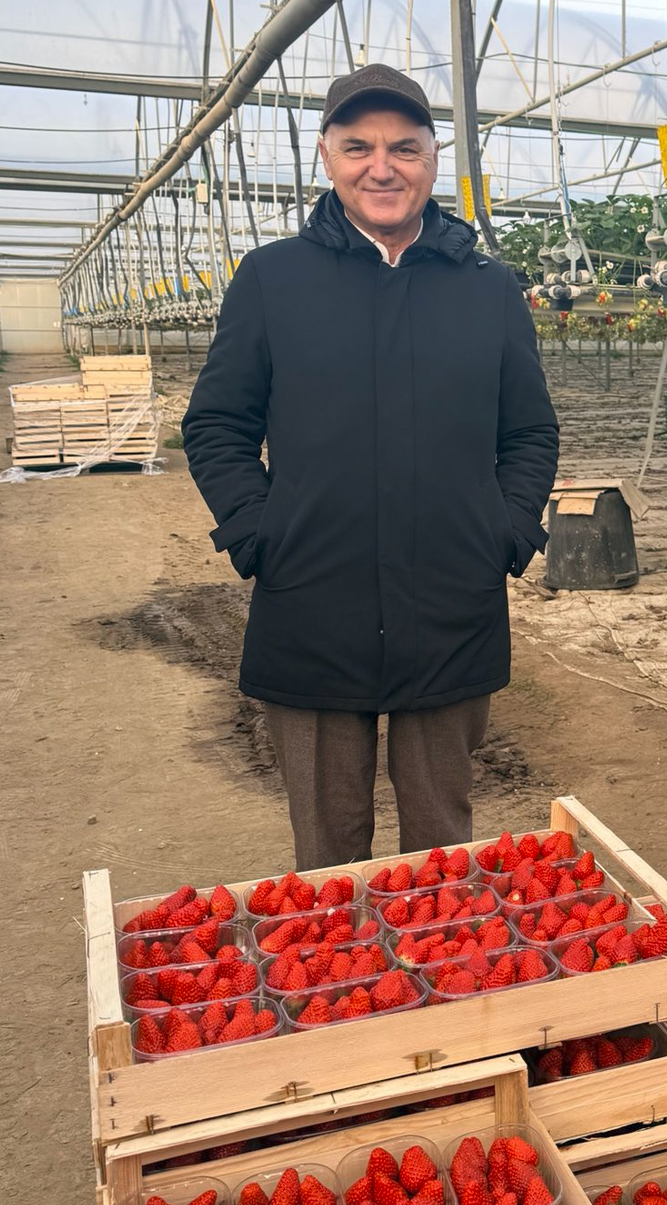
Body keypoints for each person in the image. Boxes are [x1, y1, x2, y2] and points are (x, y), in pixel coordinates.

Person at [183, 65, 558, 869]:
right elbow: (216, 424)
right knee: (327, 849)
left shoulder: (489, 289)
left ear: (433, 159)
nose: (381, 168)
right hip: (311, 595)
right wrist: (260, 531)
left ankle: (435, 951)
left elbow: (529, 431)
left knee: (441, 846)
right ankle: (341, 955)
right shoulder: (273, 280)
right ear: (327, 156)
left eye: (404, 148)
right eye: (358, 147)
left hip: (450, 599)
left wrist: (503, 532)